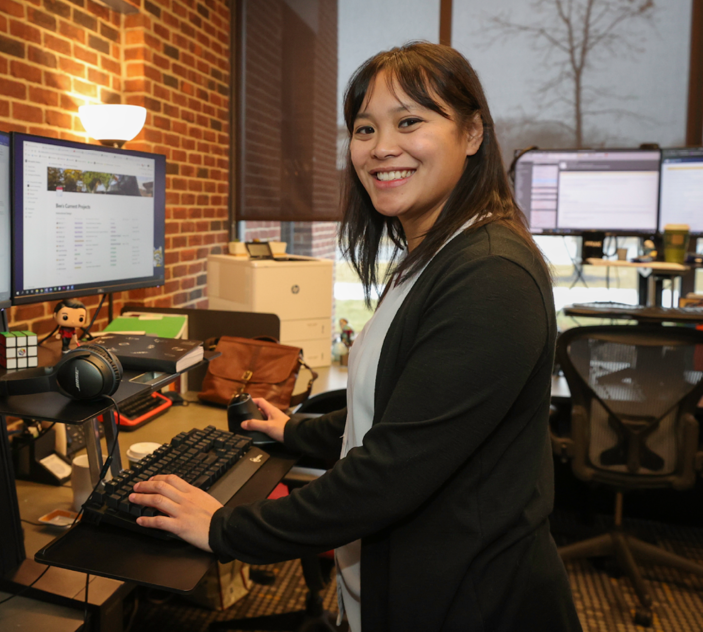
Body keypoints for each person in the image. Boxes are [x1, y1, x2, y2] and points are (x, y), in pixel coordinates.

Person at [129, 42, 582, 631]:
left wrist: (223, 530)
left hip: (468, 603)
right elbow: (407, 409)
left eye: (410, 121)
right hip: (391, 588)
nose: (381, 147)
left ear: (472, 134)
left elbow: (392, 473)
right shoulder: (432, 253)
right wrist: (298, 430)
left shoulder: (491, 273)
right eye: (365, 128)